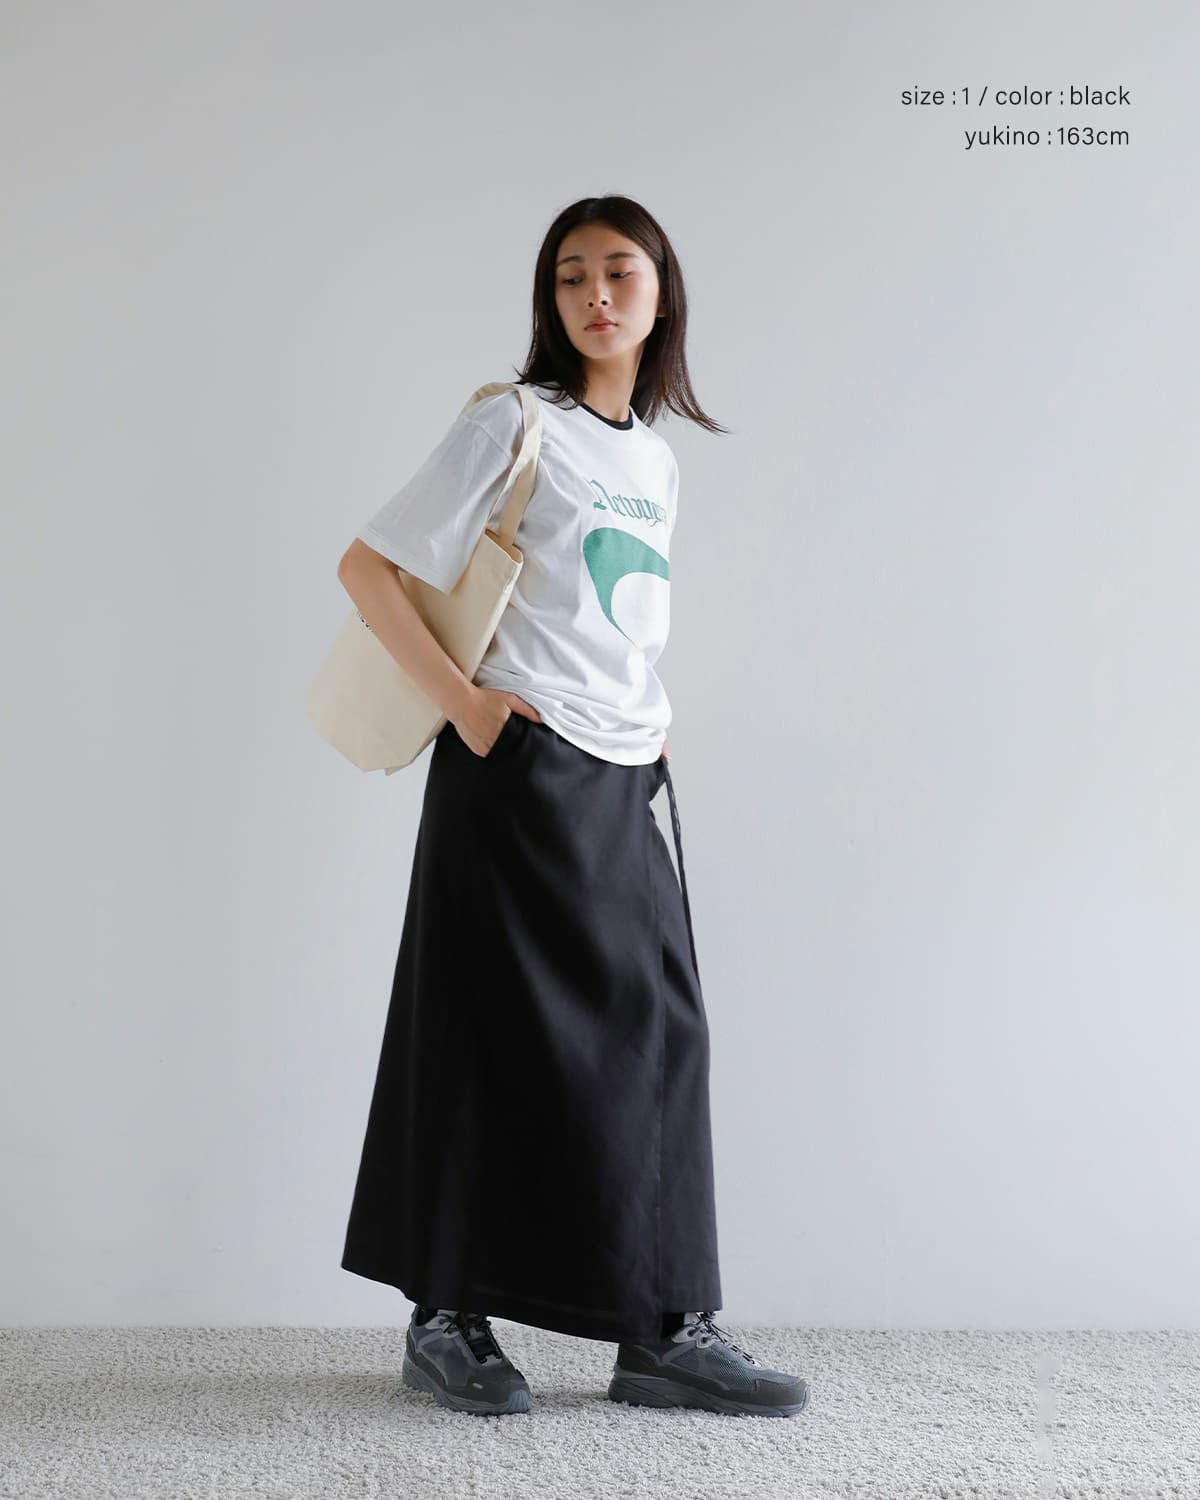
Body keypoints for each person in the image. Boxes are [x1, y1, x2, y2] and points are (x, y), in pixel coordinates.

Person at [337, 195, 810, 1419]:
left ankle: (662, 1329)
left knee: (663, 1032)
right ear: (550, 303)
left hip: (626, 768)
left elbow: (615, 616)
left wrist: (646, 718)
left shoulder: (654, 460)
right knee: (483, 1027)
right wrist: (469, 708)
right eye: (569, 277)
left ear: (662, 294)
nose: (595, 295)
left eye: (619, 272)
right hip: (516, 761)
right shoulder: (514, 422)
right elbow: (368, 568)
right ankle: (445, 1319)